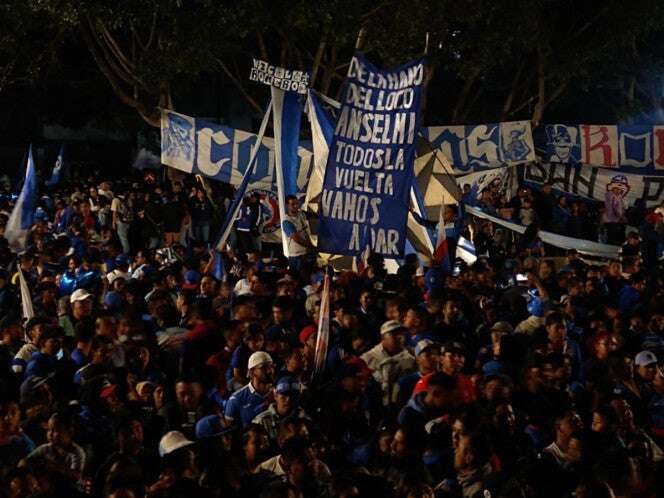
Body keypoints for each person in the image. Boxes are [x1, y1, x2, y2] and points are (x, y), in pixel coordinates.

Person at [225, 351, 275, 428]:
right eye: (263, 368)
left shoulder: (279, 393)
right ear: (252, 371)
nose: (270, 371)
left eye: (271, 366)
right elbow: (230, 430)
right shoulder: (236, 399)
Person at [281, 195, 313, 271]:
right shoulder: (287, 222)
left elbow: (314, 216)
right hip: (296, 256)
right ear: (287, 206)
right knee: (297, 278)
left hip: (306, 253)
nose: (295, 206)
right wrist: (312, 246)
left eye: (297, 203)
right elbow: (297, 239)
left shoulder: (301, 214)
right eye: (292, 204)